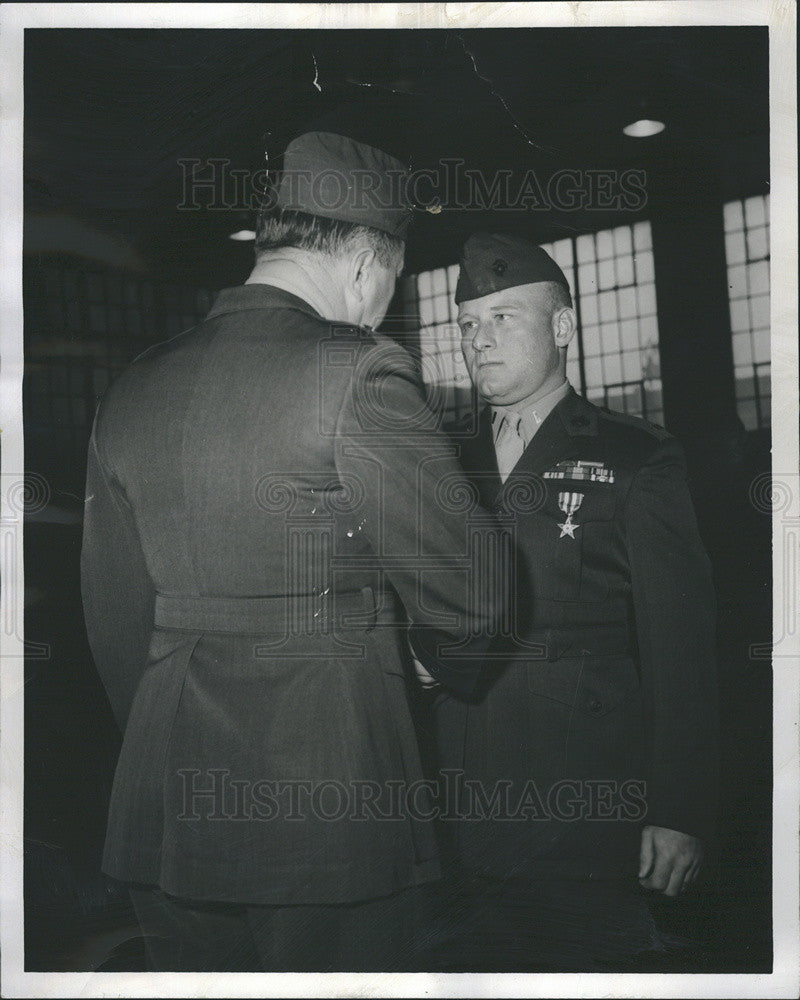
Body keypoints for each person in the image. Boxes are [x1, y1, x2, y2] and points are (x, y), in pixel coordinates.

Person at [80, 132, 505, 972]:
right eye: (391, 281)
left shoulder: (133, 385)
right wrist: (425, 666)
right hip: (332, 809)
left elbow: (113, 621)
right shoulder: (359, 371)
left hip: (166, 806)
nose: (384, 305)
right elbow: (478, 592)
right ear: (360, 261)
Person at [432, 232, 719, 971]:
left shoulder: (635, 457)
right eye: (467, 324)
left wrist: (678, 809)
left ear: (562, 327)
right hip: (457, 797)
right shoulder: (439, 458)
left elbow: (680, 648)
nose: (479, 341)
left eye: (503, 318)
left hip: (586, 800)